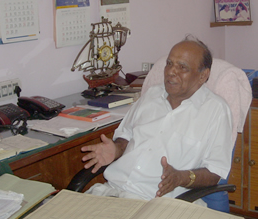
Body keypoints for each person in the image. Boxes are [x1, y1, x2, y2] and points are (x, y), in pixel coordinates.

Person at [81, 36, 233, 202]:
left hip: (156, 202)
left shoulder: (216, 111)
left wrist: (180, 178)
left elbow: (215, 172)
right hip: (112, 191)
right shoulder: (151, 95)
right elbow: (126, 136)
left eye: (182, 67)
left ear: (203, 75)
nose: (170, 71)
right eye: (169, 63)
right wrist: (116, 149)